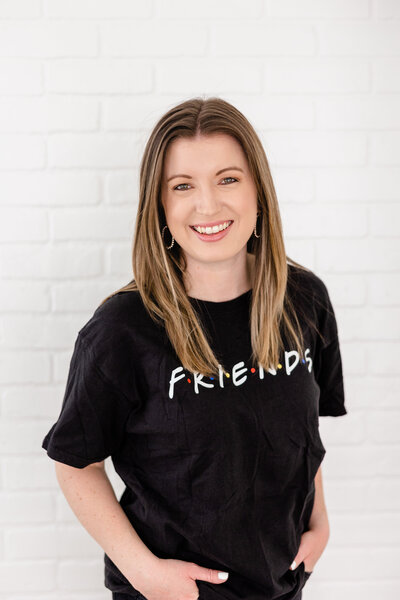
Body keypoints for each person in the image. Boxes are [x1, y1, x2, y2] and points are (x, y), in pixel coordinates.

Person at [41, 96, 347, 600]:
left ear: (258, 191)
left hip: (282, 584)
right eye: (183, 186)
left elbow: (301, 434)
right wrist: (143, 571)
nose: (208, 205)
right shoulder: (122, 330)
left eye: (228, 179)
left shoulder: (305, 300)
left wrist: (321, 521)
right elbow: (75, 461)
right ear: (161, 206)